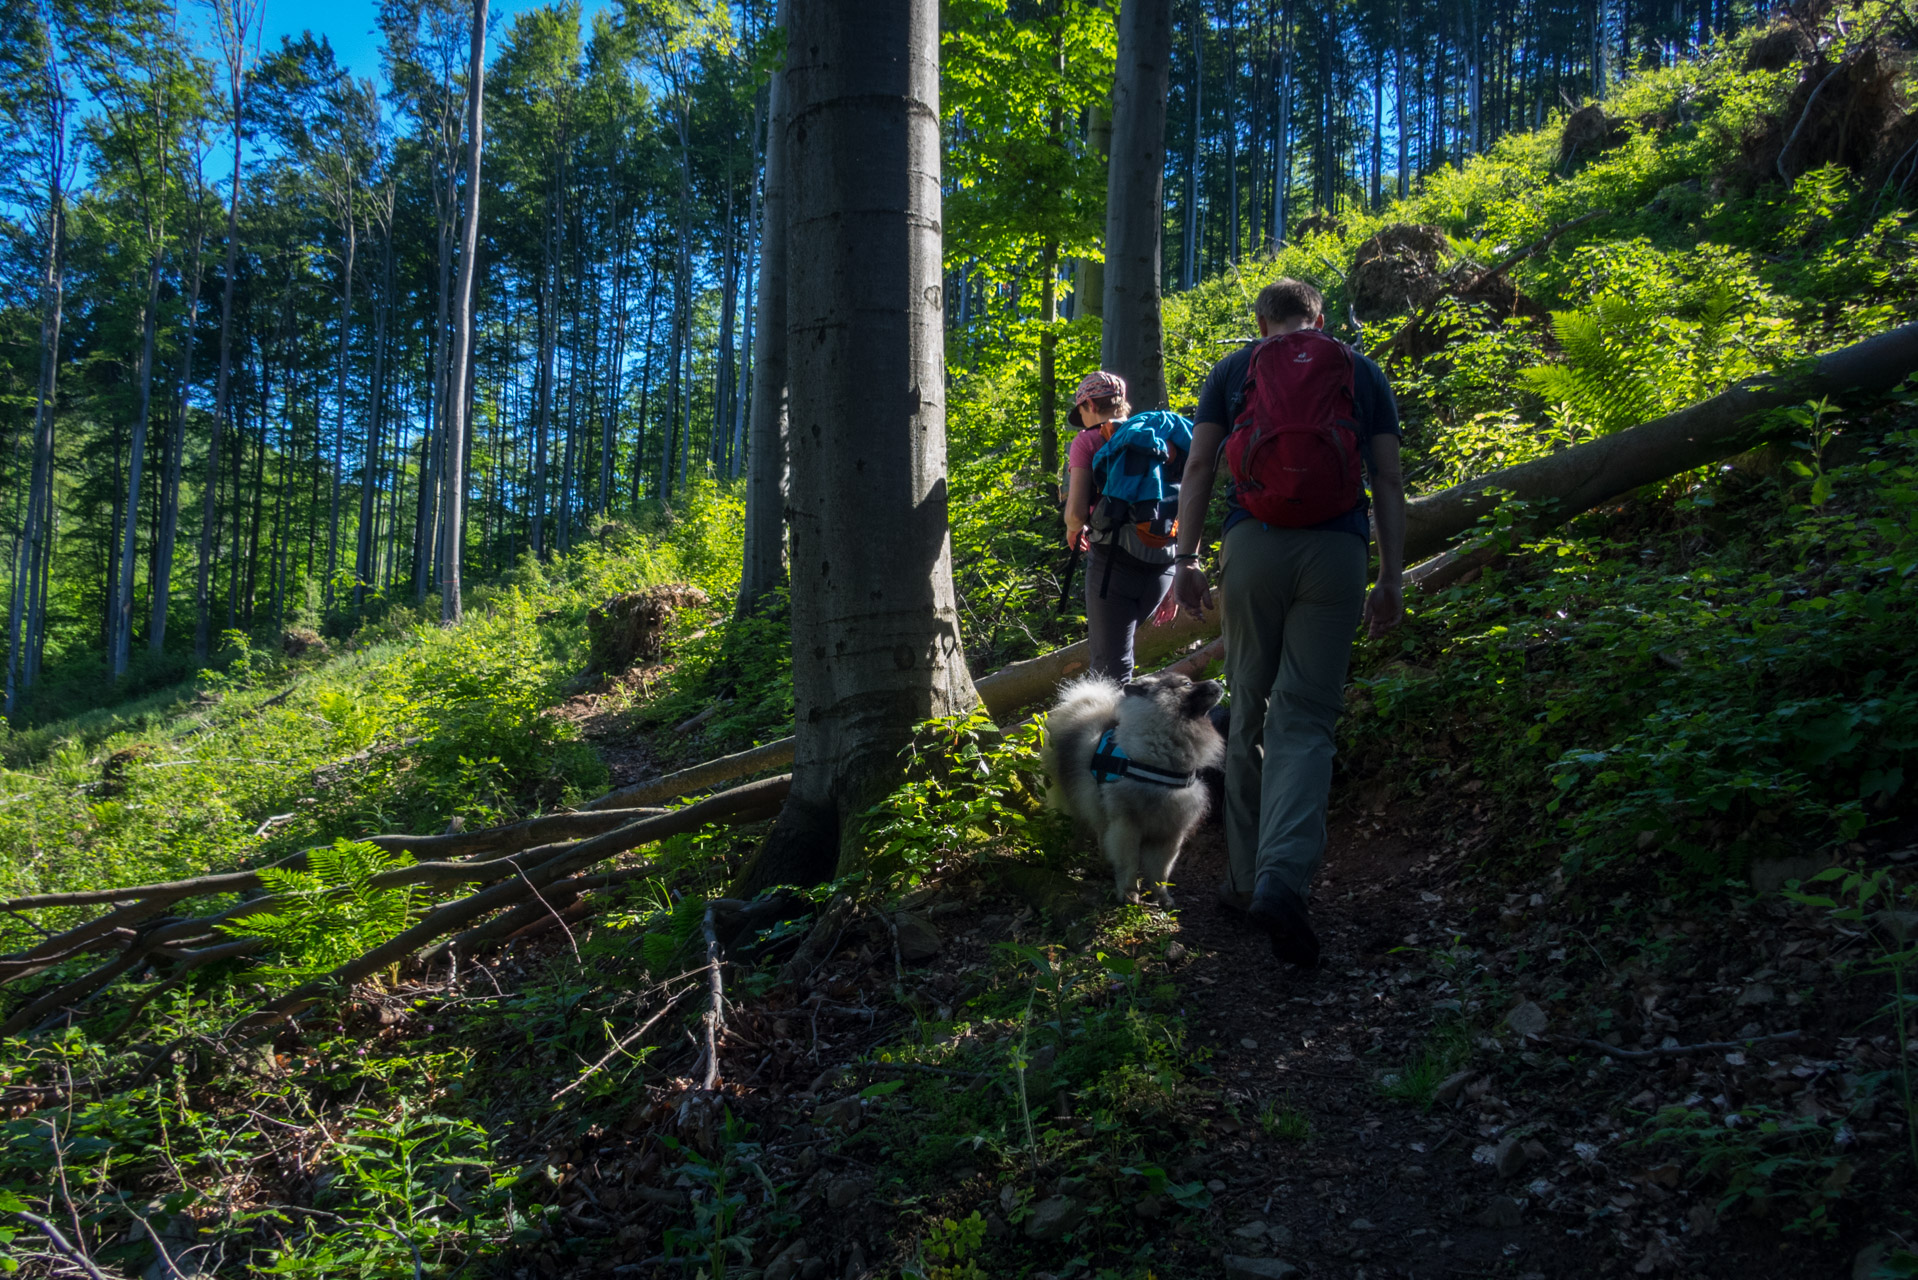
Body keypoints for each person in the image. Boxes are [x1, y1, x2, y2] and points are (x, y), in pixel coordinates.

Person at [1170, 278, 1407, 967]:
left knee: (1247, 711)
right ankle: (1283, 877)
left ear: (1260, 320)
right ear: (1319, 317)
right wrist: (1390, 577)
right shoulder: (1359, 371)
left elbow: (1201, 465)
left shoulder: (1236, 368)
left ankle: (1244, 883)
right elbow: (1388, 481)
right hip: (1337, 551)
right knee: (1305, 719)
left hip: (1252, 547)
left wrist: (1186, 558)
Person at [1062, 371, 1182, 682]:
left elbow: (1075, 514)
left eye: (1082, 411)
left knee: (1109, 671)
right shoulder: (1162, 437)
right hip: (1163, 565)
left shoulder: (1087, 441)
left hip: (1113, 567)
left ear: (1089, 403)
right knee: (1119, 662)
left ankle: (1112, 732)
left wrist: (1073, 527)